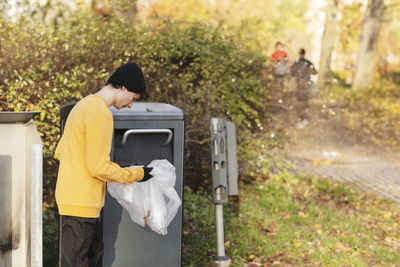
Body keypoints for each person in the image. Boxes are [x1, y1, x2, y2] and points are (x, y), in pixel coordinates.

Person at [54, 62, 154, 267]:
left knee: (76, 261)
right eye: (132, 98)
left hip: (72, 200)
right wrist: (136, 174)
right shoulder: (100, 113)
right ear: (123, 87)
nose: (130, 105)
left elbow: (60, 151)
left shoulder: (82, 105)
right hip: (83, 204)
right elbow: (98, 167)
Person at [290, 49, 317, 119]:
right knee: (306, 98)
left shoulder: (295, 63)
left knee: (299, 98)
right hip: (306, 82)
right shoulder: (308, 62)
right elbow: (315, 72)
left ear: (299, 54)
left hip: (299, 83)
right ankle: (305, 113)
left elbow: (291, 73)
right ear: (304, 54)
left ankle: (299, 114)